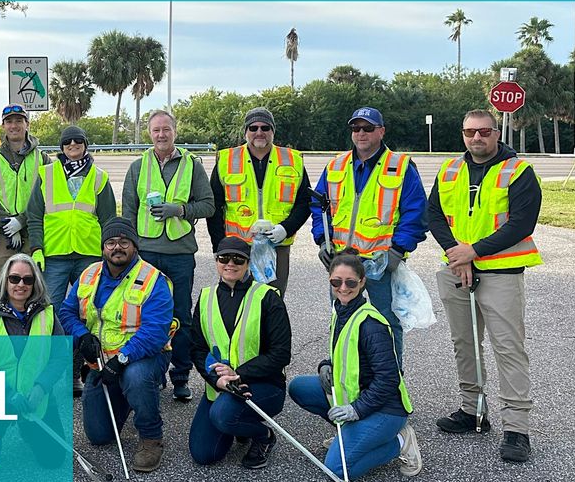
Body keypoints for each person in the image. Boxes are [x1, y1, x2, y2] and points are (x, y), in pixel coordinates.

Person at [429, 110, 543, 463]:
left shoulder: (518, 170)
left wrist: (473, 252)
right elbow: (434, 215)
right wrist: (457, 254)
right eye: (469, 132)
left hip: (501, 273)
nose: (476, 138)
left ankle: (517, 428)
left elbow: (522, 222)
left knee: (508, 348)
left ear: (496, 133)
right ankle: (473, 410)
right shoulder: (450, 170)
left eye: (483, 132)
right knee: (464, 344)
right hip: (456, 269)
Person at [287, 249, 422, 480]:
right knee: (299, 387)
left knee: (337, 470)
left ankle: (400, 442)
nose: (343, 287)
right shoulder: (341, 311)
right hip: (357, 394)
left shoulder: (371, 324)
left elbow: (388, 379)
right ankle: (349, 435)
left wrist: (356, 410)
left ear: (362, 282)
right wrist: (325, 365)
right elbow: (345, 355)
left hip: (386, 408)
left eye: (350, 282)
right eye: (336, 281)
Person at [310, 106, 427, 363]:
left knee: (385, 321)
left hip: (380, 262)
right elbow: (319, 207)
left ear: (381, 131)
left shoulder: (401, 167)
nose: (361, 133)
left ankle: (391, 380)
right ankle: (342, 371)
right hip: (342, 261)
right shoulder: (336, 166)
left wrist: (398, 250)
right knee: (341, 316)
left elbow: (416, 214)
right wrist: (322, 240)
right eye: (356, 128)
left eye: (368, 128)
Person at [58, 218, 173, 473]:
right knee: (99, 437)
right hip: (101, 362)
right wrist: (82, 336)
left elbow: (155, 333)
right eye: (110, 242)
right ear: (103, 247)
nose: (117, 247)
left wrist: (121, 360)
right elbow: (66, 312)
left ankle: (151, 437)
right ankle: (128, 397)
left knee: (136, 376)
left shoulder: (154, 280)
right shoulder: (89, 274)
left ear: (134, 246)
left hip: (141, 357)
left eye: (124, 242)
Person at [122, 110, 215, 403]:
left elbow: (209, 205)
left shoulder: (192, 166)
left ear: (175, 131)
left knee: (180, 317)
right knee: (146, 316)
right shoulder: (138, 167)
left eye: (166, 129)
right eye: (155, 131)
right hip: (146, 253)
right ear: (149, 134)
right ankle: (154, 371)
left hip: (179, 253)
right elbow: (128, 210)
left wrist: (181, 210)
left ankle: (181, 376)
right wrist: (131, 248)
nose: (161, 135)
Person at [26, 124, 116, 396]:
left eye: (78, 141)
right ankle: (48, 376)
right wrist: (37, 248)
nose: (73, 146)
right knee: (50, 316)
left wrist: (108, 254)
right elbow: (34, 215)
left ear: (86, 145)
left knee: (88, 314)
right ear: (61, 147)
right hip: (55, 255)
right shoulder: (47, 174)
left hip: (89, 255)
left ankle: (80, 372)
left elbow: (109, 219)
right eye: (68, 142)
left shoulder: (99, 177)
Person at [187, 237, 292, 469]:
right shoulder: (205, 297)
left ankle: (262, 434)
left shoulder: (268, 297)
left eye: (238, 259)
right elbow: (197, 348)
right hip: (221, 386)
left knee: (223, 416)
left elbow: (281, 354)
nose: (230, 264)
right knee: (203, 454)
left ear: (247, 263)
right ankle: (240, 420)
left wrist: (239, 374)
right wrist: (217, 380)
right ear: (216, 261)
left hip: (262, 385)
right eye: (224, 258)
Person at [0, 253, 66, 464]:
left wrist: (42, 388)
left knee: (54, 459)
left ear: (35, 283)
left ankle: (27, 428)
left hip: (36, 400)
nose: (20, 284)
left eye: (27, 279)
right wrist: (7, 394)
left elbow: (60, 357)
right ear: (5, 281)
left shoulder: (49, 316)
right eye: (14, 278)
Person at [207, 107, 311, 296]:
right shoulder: (227, 160)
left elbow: (304, 203)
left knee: (272, 300)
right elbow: (214, 207)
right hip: (236, 247)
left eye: (265, 127)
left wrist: (286, 228)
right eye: (253, 128)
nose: (259, 132)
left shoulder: (292, 160)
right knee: (235, 299)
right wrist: (219, 246)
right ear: (245, 131)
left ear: (273, 131)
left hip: (277, 246)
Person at [0, 104, 50, 273]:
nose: (14, 126)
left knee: (32, 281)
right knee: (2, 282)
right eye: (9, 121)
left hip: (34, 231)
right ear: (3, 126)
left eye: (19, 121)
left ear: (27, 124)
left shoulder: (43, 159)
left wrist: (22, 220)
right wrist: (8, 224)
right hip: (4, 233)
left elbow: (49, 197)